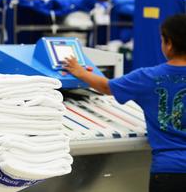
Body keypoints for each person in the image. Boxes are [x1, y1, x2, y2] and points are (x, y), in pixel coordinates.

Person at [63, 14, 186, 192]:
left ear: (169, 43)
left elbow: (106, 87)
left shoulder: (148, 77)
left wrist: (79, 72)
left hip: (169, 170)